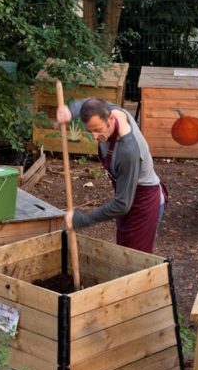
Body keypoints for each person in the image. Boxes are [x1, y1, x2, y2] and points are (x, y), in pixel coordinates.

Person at [56, 97, 167, 254]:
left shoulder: (127, 150)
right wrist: (71, 110)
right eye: (90, 131)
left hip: (143, 202)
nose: (94, 136)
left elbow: (122, 204)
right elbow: (93, 102)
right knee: (123, 251)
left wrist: (83, 220)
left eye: (98, 130)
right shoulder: (108, 111)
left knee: (133, 262)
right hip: (126, 194)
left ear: (111, 119)